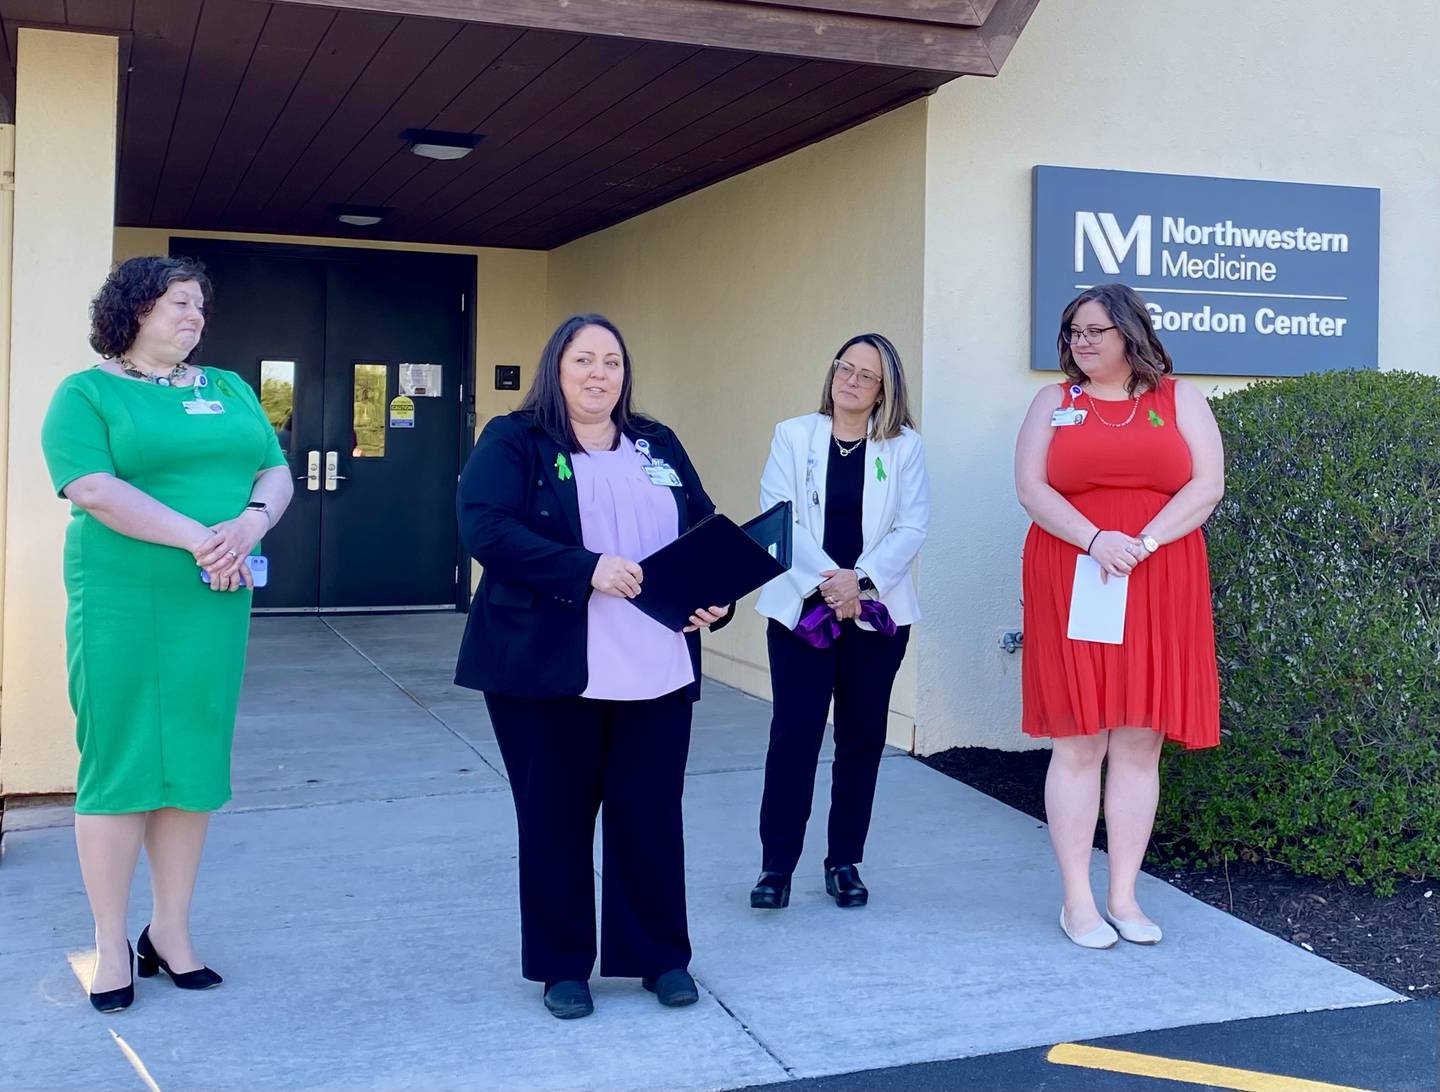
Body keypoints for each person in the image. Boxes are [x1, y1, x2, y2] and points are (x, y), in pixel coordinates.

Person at [454, 313, 730, 1020]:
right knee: (555, 819)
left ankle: (660, 957)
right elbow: (486, 528)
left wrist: (713, 599)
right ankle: (562, 967)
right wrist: (587, 569)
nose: (599, 374)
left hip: (656, 664)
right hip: (546, 666)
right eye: (584, 360)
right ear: (557, 367)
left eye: (611, 361)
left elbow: (703, 525)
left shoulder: (655, 441)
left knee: (650, 817)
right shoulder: (514, 439)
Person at [40, 256, 293, 1012]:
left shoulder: (229, 388)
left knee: (192, 761)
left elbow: (273, 469)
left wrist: (248, 527)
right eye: (179, 303)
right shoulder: (85, 393)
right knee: (120, 763)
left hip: (212, 599)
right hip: (122, 598)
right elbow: (92, 488)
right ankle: (111, 939)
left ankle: (170, 932)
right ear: (135, 311)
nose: (195, 317)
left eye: (200, 307)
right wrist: (200, 539)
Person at [1013, 283, 1224, 949]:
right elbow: (1030, 487)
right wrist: (1098, 540)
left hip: (1159, 576)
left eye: (1096, 330)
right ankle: (1077, 901)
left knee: (1139, 736)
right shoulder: (1053, 401)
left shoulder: (1179, 398)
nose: (1082, 341)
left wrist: (1145, 543)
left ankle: (1125, 896)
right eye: (1074, 330)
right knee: (1081, 736)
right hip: (1076, 572)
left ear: (1131, 333)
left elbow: (1207, 484)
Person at [750, 334, 929, 910]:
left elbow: (912, 527)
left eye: (865, 376)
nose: (850, 381)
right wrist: (831, 583)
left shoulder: (904, 447)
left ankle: (843, 861)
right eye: (843, 368)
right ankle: (776, 867)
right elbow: (779, 516)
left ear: (885, 391)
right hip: (804, 611)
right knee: (794, 738)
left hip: (875, 618)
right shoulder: (793, 434)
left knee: (861, 740)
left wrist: (861, 580)